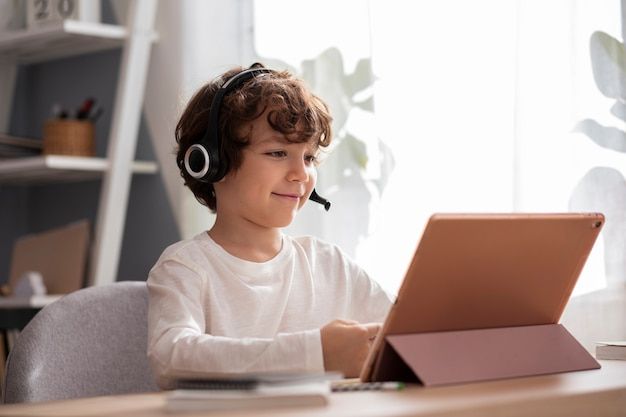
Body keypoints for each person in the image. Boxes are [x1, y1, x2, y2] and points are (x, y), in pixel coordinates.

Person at [146, 63, 392, 389]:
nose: (301, 174)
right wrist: (314, 353)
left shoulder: (329, 264)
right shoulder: (186, 267)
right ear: (210, 163)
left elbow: (408, 331)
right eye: (278, 152)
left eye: (308, 158)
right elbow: (171, 357)